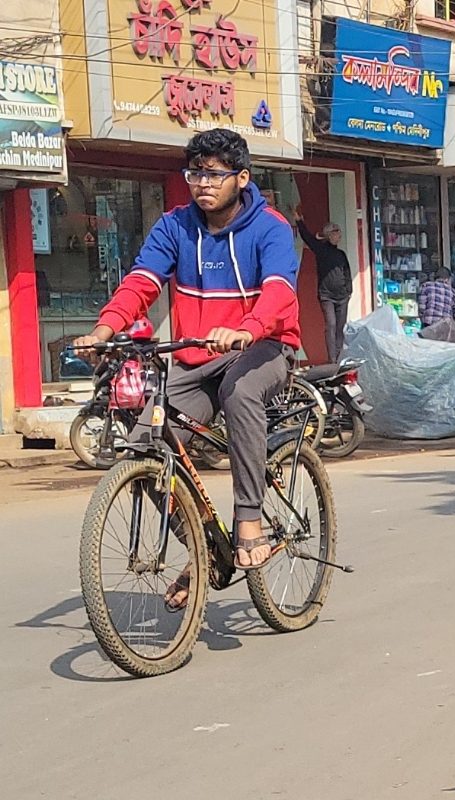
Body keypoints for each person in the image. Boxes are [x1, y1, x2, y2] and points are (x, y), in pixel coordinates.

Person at [73, 129, 301, 606]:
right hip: (197, 356)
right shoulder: (174, 226)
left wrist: (249, 327)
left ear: (241, 178)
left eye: (214, 173)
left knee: (240, 394)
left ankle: (248, 520)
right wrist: (103, 330)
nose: (202, 182)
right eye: (195, 172)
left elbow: (280, 291)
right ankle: (202, 548)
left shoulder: (271, 227)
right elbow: (141, 282)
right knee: (145, 447)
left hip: (264, 347)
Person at [294, 210, 353, 361]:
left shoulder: (341, 254)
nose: (337, 236)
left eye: (338, 233)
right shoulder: (321, 250)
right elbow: (307, 238)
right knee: (331, 325)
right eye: (334, 233)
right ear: (328, 236)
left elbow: (347, 272)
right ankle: (332, 359)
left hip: (342, 297)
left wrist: (348, 291)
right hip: (326, 296)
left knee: (340, 328)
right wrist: (299, 221)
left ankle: (339, 358)